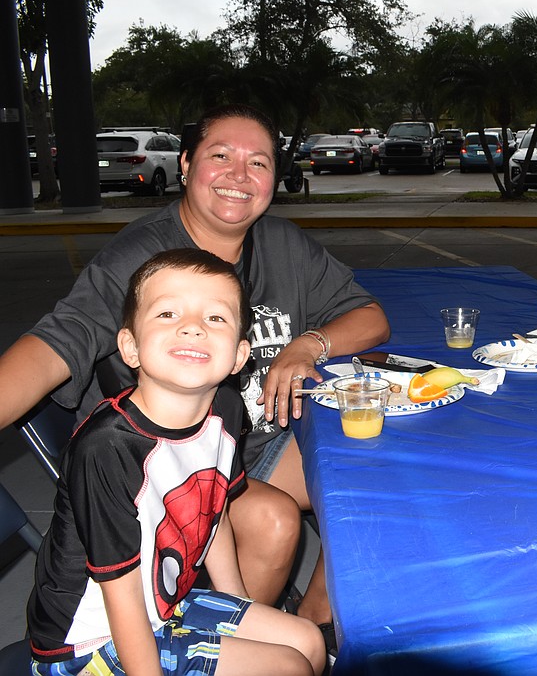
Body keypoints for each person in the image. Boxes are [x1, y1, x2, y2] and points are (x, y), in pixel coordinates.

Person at [0, 104, 389, 633]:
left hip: (257, 441)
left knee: (370, 463)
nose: (239, 175)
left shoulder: (281, 244)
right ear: (185, 165)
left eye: (259, 162)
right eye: (220, 156)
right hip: (169, 464)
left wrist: (308, 345)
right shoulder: (141, 257)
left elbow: (370, 317)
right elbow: (56, 342)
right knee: (274, 522)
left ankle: (316, 618)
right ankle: (221, 646)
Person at [28, 248, 326, 676]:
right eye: (168, 314)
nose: (192, 328)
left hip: (164, 606)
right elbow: (120, 596)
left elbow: (211, 507)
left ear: (240, 356)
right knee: (287, 666)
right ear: (130, 346)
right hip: (90, 642)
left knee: (307, 640)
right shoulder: (108, 449)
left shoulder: (224, 405)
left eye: (215, 318)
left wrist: (238, 607)